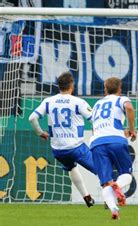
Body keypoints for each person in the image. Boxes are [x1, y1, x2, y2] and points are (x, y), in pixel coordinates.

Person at [28, 71, 96, 207]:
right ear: (72, 85)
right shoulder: (78, 102)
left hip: (58, 150)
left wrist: (40, 133)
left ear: (59, 86)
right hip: (76, 147)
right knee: (102, 169)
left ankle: (87, 197)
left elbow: (32, 118)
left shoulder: (48, 101)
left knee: (71, 167)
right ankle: (110, 200)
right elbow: (94, 119)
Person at [90, 77, 137, 220]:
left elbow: (98, 129)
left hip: (97, 142)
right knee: (126, 174)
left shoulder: (97, 105)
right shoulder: (120, 99)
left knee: (105, 183)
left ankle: (114, 210)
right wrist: (132, 129)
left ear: (105, 89)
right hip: (116, 141)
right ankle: (118, 184)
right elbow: (129, 107)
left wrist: (123, 132)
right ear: (120, 88)